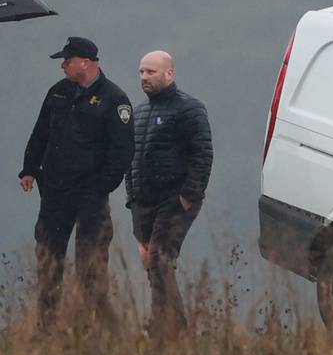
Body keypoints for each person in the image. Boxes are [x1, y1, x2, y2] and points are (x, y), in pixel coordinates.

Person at [18, 36, 134, 321]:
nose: (62, 67)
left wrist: (102, 185)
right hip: (55, 191)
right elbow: (41, 131)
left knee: (90, 261)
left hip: (89, 194)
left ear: (85, 62)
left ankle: (95, 326)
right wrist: (30, 167)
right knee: (48, 256)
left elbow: (122, 149)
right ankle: (47, 326)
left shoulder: (114, 99)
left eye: (66, 61)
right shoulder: (58, 93)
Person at [126, 51, 214, 331]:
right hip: (143, 201)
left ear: (169, 73)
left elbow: (203, 154)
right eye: (141, 72)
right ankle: (169, 325)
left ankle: (168, 329)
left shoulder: (189, 109)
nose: (144, 77)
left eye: (150, 72)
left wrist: (189, 195)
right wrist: (131, 198)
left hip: (174, 199)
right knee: (152, 264)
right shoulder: (138, 113)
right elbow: (131, 158)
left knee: (160, 260)